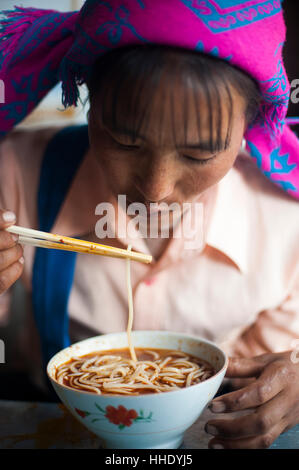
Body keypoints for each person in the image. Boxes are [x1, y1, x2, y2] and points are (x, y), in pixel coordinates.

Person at [0, 0, 299, 449]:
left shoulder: (284, 220)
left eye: (198, 155)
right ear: (88, 100)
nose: (156, 190)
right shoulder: (17, 173)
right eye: (123, 141)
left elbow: (266, 374)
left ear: (249, 124)